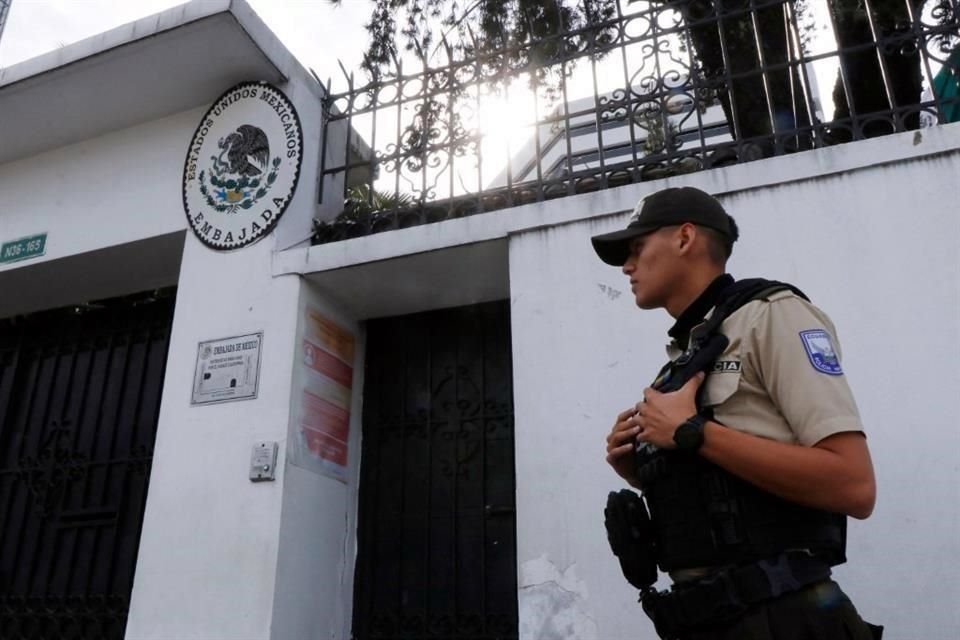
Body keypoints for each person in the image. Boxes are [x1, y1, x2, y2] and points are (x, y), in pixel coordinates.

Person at [592, 186, 881, 639]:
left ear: (685, 238)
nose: (627, 266)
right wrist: (645, 469)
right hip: (707, 621)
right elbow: (724, 493)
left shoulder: (774, 317)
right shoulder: (685, 357)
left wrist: (692, 433)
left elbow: (854, 485)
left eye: (636, 248)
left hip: (782, 619)